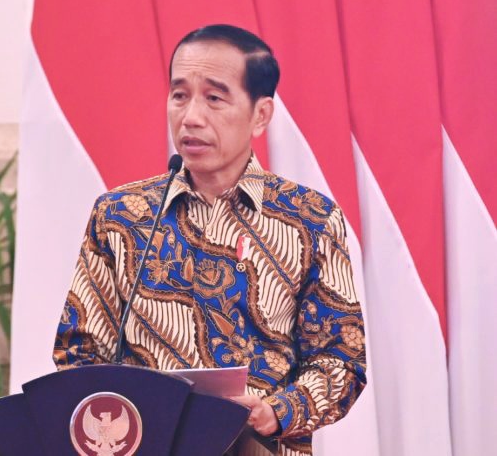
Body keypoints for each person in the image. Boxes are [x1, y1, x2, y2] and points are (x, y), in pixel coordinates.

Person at [53, 24, 367, 455]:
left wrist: (275, 410)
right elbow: (78, 353)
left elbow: (341, 360)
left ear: (261, 114)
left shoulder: (309, 219)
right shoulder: (121, 216)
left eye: (214, 98)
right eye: (179, 95)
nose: (191, 116)